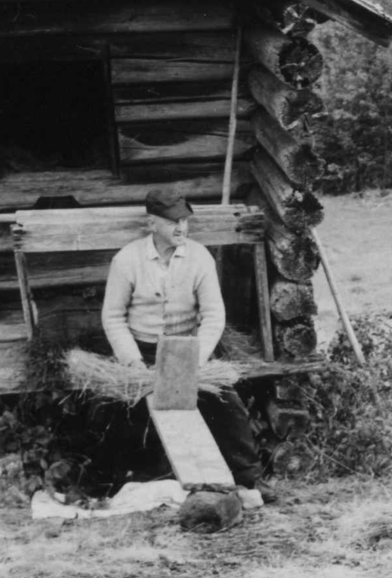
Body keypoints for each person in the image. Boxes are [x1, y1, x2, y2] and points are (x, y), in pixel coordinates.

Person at [101, 189, 274, 501]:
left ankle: (250, 479)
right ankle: (124, 482)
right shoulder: (127, 260)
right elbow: (113, 317)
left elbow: (213, 315)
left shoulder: (199, 257)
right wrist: (133, 363)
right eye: (172, 222)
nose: (181, 228)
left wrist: (197, 360)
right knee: (119, 409)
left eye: (184, 221)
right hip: (144, 351)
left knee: (226, 403)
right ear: (152, 223)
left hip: (188, 349)